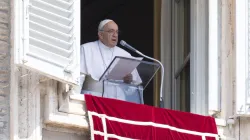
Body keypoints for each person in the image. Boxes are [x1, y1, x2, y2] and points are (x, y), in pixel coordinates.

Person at [79, 19, 143, 103]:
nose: (115, 35)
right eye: (111, 31)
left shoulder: (125, 54)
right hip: (94, 100)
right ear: (101, 35)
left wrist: (129, 82)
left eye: (117, 32)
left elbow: (133, 90)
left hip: (118, 103)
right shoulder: (86, 49)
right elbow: (78, 79)